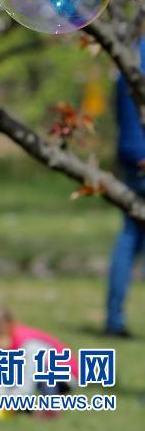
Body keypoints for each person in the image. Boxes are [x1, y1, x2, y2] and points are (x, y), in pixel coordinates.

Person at [105, 41, 145, 338]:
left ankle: (114, 318)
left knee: (129, 236)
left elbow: (118, 107)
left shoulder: (128, 51)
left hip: (130, 153)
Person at [0, 305, 78, 416]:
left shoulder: (29, 345)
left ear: (4, 332)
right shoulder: (8, 348)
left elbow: (27, 380)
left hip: (65, 375)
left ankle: (50, 409)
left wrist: (13, 399)